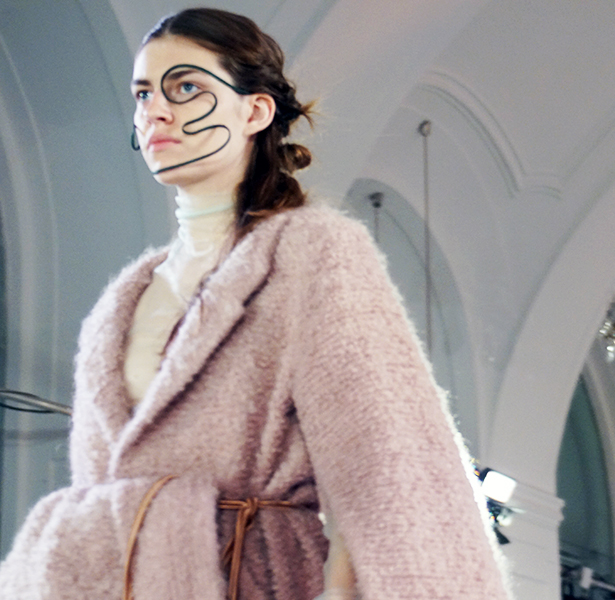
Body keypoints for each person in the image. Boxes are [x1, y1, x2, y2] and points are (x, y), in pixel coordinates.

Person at [0, 8, 509, 600]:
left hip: (250, 575)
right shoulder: (121, 301)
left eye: (185, 88)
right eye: (142, 94)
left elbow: (385, 467)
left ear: (255, 111)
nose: (154, 111)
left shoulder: (313, 252)